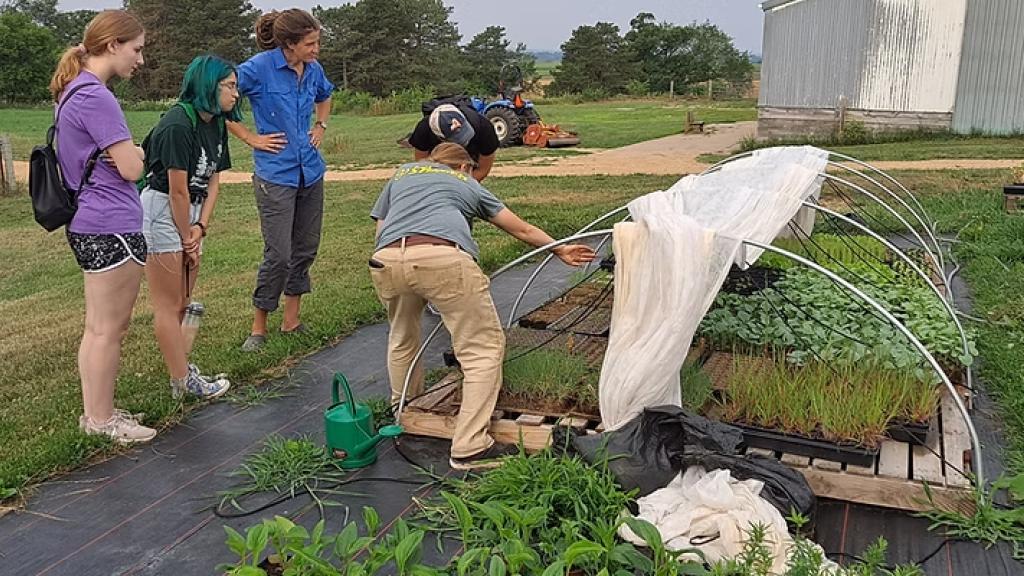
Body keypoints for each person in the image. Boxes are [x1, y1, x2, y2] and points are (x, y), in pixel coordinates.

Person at [369, 143, 596, 470]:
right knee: (482, 349)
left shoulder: (404, 173)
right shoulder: (466, 183)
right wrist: (559, 250)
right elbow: (521, 228)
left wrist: (396, 261)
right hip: (442, 258)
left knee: (403, 338)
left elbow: (381, 226)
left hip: (386, 259)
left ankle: (403, 412)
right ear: (464, 167)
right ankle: (470, 446)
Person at [50, 10, 154, 443]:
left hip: (88, 221)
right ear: (112, 45)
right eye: (136, 49)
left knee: (100, 326)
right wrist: (140, 156)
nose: (140, 60)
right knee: (108, 328)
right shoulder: (97, 97)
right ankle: (101, 420)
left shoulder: (72, 90)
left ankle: (99, 412)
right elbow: (131, 167)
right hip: (110, 222)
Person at [227, 8, 335, 352]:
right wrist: (250, 138)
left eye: (317, 42)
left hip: (310, 171)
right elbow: (221, 99)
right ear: (289, 43)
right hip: (275, 175)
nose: (316, 49)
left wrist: (320, 125)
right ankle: (258, 327)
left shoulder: (313, 69)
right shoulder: (258, 68)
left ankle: (292, 321)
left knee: (305, 248)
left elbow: (326, 95)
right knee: (279, 254)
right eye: (310, 43)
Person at [139, 55, 240, 399]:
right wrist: (186, 237)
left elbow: (213, 180)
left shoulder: (217, 124)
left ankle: (181, 376)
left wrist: (201, 228)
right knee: (168, 304)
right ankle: (182, 381)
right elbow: (176, 188)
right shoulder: (177, 124)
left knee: (184, 299)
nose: (236, 94)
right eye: (230, 86)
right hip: (163, 209)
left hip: (191, 214)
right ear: (209, 86)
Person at [409, 102, 500, 181]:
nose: (465, 142)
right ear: (440, 138)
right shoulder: (424, 131)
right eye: (457, 141)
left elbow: (482, 170)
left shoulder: (484, 127)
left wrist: (462, 187)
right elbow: (423, 169)